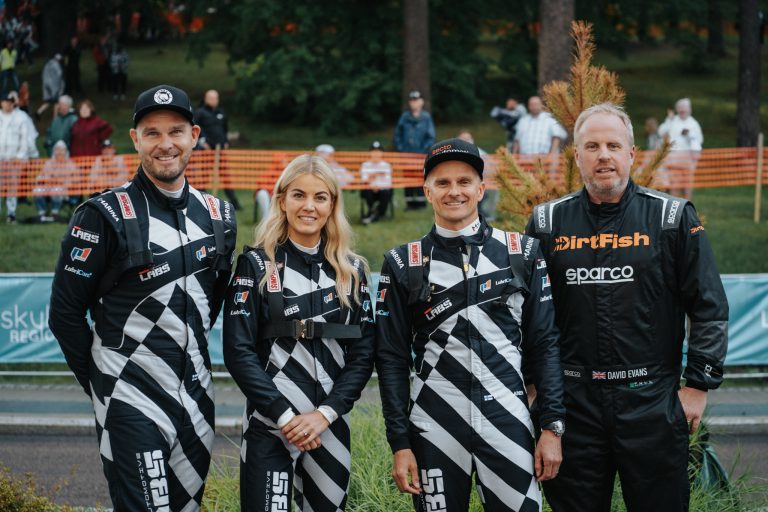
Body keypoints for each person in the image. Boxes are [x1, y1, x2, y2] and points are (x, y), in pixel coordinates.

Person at [525, 103, 728, 511]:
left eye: (613, 145)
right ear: (576, 156)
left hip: (652, 402)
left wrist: (697, 386)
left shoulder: (672, 217)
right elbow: (530, 316)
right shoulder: (546, 223)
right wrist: (533, 389)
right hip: (573, 405)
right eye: (592, 146)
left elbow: (708, 306)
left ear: (632, 153)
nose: (604, 155)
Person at [48, 84, 238, 511]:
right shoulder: (102, 214)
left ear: (194, 135)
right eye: (152, 133)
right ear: (136, 139)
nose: (165, 144)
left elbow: (211, 303)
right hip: (130, 395)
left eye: (175, 132)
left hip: (197, 396)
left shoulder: (220, 215)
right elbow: (64, 315)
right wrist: (104, 384)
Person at [376, 137, 565, 511]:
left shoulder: (522, 252)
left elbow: (545, 343)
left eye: (464, 181)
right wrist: (400, 442)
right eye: (442, 183)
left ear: (481, 188)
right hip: (434, 423)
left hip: (507, 418)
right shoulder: (403, 263)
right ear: (427, 191)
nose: (454, 191)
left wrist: (552, 426)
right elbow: (391, 357)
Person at [223, 154, 374, 511]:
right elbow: (238, 351)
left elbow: (364, 354)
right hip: (271, 424)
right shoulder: (255, 265)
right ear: (281, 201)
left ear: (332, 204)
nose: (309, 206)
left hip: (329, 426)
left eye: (320, 197)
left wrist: (326, 414)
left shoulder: (353, 271)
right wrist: (284, 416)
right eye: (298, 195)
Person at [195, 89, 241, 209]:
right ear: (206, 99)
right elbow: (195, 128)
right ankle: (202, 201)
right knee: (204, 177)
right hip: (207, 151)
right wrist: (203, 142)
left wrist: (226, 142)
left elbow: (225, 129)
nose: (214, 100)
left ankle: (234, 202)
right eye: (211, 98)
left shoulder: (221, 112)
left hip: (221, 150)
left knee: (226, 176)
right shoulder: (200, 112)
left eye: (216, 98)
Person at [394, 90, 435, 210]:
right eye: (412, 100)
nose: (414, 103)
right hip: (406, 155)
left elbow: (431, 137)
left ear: (421, 102)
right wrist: (401, 149)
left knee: (420, 177)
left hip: (421, 155)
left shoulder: (426, 118)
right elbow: (397, 135)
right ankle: (409, 203)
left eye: (416, 100)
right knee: (408, 177)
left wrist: (424, 151)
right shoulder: (404, 117)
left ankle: (421, 203)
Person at [658, 98, 703, 199]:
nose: (682, 110)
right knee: (675, 185)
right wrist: (668, 120)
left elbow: (699, 140)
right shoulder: (672, 120)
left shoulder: (693, 123)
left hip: (689, 159)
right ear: (677, 109)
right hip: (674, 158)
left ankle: (687, 206)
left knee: (687, 186)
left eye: (684, 108)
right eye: (680, 108)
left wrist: (690, 134)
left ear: (689, 109)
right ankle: (674, 207)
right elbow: (660, 132)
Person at [0, 91, 30, 223]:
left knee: (12, 188)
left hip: (13, 160)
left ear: (13, 103)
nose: (7, 104)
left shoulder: (20, 117)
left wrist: (19, 156)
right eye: (5, 102)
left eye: (9, 102)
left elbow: (25, 138)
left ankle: (11, 214)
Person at [33, 139, 74, 222]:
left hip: (63, 189)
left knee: (56, 190)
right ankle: (42, 213)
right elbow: (41, 176)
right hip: (48, 187)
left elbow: (72, 180)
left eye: (61, 150)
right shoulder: (49, 163)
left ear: (65, 151)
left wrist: (59, 181)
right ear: (54, 151)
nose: (59, 152)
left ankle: (55, 212)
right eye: (57, 150)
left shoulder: (71, 164)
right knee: (37, 190)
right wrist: (42, 180)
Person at [360, 140, 393, 224]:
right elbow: (364, 180)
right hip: (370, 189)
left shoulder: (386, 165)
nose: (376, 154)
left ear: (382, 153)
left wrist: (373, 178)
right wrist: (375, 179)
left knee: (386, 192)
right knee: (366, 191)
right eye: (374, 151)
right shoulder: (365, 165)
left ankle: (377, 213)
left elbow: (388, 182)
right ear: (370, 152)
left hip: (382, 189)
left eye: (378, 151)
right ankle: (374, 212)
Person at [35, 54, 64, 119]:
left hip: (46, 85)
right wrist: (60, 86)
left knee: (48, 101)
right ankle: (55, 118)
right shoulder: (57, 65)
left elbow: (43, 75)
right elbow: (59, 75)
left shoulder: (47, 64)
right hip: (54, 86)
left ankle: (38, 112)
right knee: (56, 102)